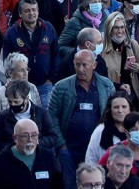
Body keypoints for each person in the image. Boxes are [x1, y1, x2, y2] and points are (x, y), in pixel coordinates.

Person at [49, 49, 117, 178]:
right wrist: (61, 145)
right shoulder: (61, 87)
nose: (80, 69)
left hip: (97, 147)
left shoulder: (106, 85)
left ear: (94, 65)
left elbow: (112, 114)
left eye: (85, 65)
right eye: (77, 64)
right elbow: (52, 117)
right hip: (69, 148)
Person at [2, 0, 60, 109]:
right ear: (20, 14)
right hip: (21, 86)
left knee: (45, 118)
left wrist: (50, 79)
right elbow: (7, 61)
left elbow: (56, 54)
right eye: (27, 10)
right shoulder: (12, 33)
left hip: (45, 85)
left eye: (34, 10)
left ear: (38, 11)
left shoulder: (48, 28)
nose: (31, 13)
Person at [0, 79, 61, 161]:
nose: (13, 105)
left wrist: (35, 143)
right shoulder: (3, 117)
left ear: (26, 99)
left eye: (16, 102)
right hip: (13, 160)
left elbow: (53, 137)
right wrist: (15, 147)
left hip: (37, 159)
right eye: (10, 101)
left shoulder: (41, 114)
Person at [0, 118, 65, 188]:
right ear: (15, 138)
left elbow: (58, 184)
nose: (30, 140)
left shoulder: (47, 157)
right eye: (25, 136)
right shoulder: (2, 161)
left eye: (34, 135)